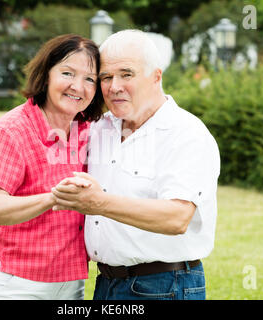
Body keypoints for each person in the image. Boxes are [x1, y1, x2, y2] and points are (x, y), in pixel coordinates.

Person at [51, 30, 221, 300]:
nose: (114, 86)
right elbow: (53, 162)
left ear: (156, 76)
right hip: (106, 283)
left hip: (164, 285)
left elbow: (177, 218)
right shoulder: (100, 128)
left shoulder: (185, 133)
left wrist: (98, 203)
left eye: (126, 74)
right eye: (106, 77)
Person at [0, 34, 103, 300]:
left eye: (89, 79)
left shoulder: (90, 130)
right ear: (46, 75)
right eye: (67, 73)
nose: (78, 86)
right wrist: (55, 197)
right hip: (13, 280)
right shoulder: (12, 129)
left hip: (69, 278)